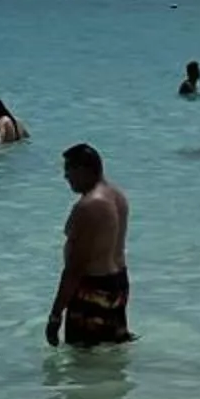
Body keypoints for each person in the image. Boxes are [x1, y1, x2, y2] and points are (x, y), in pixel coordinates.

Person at [46, 144, 132, 346]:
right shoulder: (117, 195)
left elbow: (76, 266)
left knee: (82, 361)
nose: (66, 176)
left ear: (84, 169)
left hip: (92, 290)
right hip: (118, 284)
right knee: (110, 352)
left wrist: (56, 314)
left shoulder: (89, 206)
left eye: (69, 169)